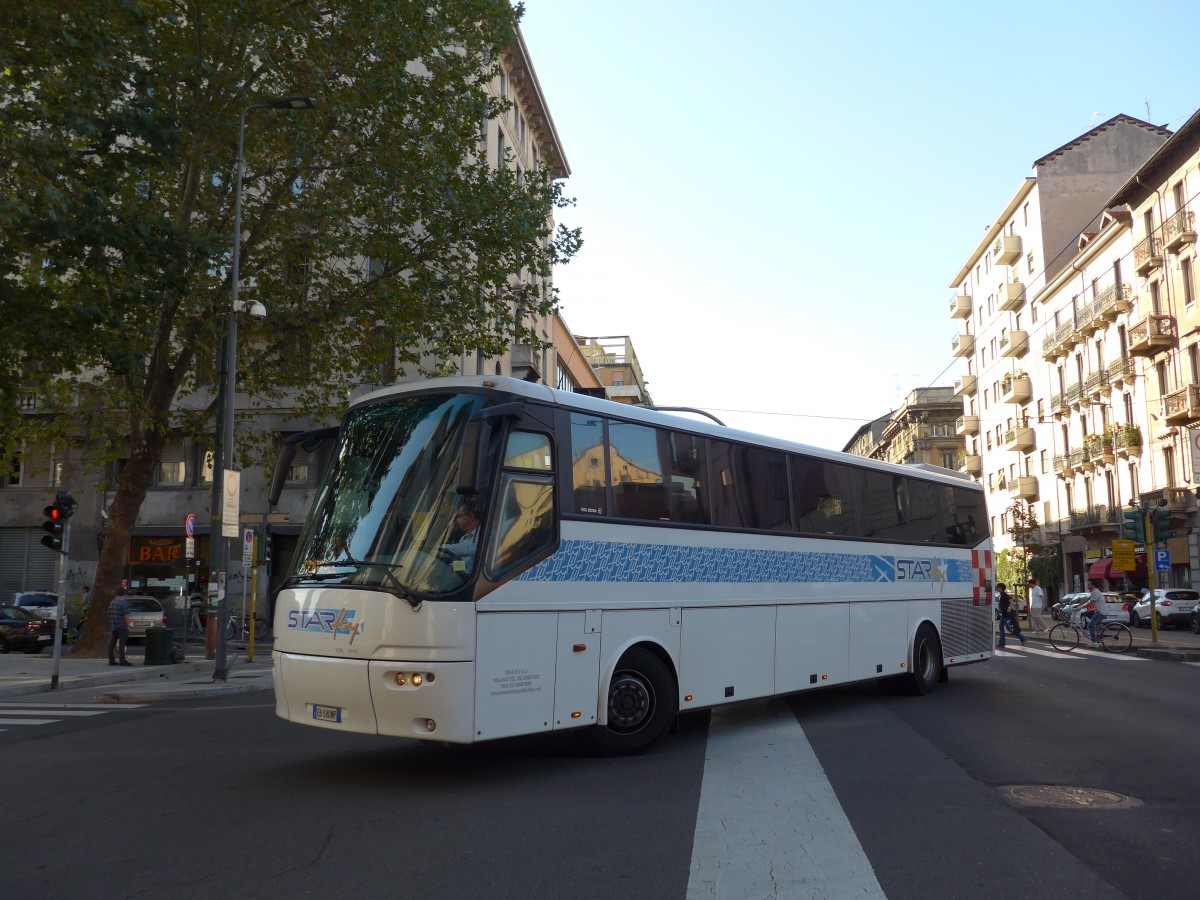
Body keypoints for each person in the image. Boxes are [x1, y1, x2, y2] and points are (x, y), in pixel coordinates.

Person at [439, 504, 480, 573]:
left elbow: (470, 549)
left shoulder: (483, 535)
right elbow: (466, 565)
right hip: (465, 576)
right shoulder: (463, 538)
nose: (457, 520)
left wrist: (442, 547)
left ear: (471, 516)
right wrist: (450, 566)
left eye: (460, 516)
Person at [996, 582, 1027, 648]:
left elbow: (1011, 601)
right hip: (1003, 614)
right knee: (1001, 628)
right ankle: (1002, 643)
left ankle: (1023, 638)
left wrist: (1009, 607)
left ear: (1001, 588)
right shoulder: (1001, 595)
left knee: (1010, 628)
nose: (997, 588)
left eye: (998, 587)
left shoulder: (1004, 594)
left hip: (1007, 615)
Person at [108, 589, 133, 666]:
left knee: (112, 643)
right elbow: (126, 615)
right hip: (122, 626)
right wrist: (128, 625)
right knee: (122, 643)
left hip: (114, 625)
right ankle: (122, 660)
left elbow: (108, 613)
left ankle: (111, 660)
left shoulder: (112, 602)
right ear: (125, 594)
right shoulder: (124, 603)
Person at [1083, 578, 1106, 648]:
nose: (1087, 586)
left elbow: (1091, 603)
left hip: (1101, 612)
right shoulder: (1094, 592)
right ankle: (1096, 625)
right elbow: (1086, 600)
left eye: (1089, 584)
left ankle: (1094, 642)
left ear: (1093, 586)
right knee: (1086, 613)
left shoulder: (1095, 592)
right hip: (1097, 611)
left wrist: (1079, 608)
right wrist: (1077, 605)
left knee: (1089, 626)